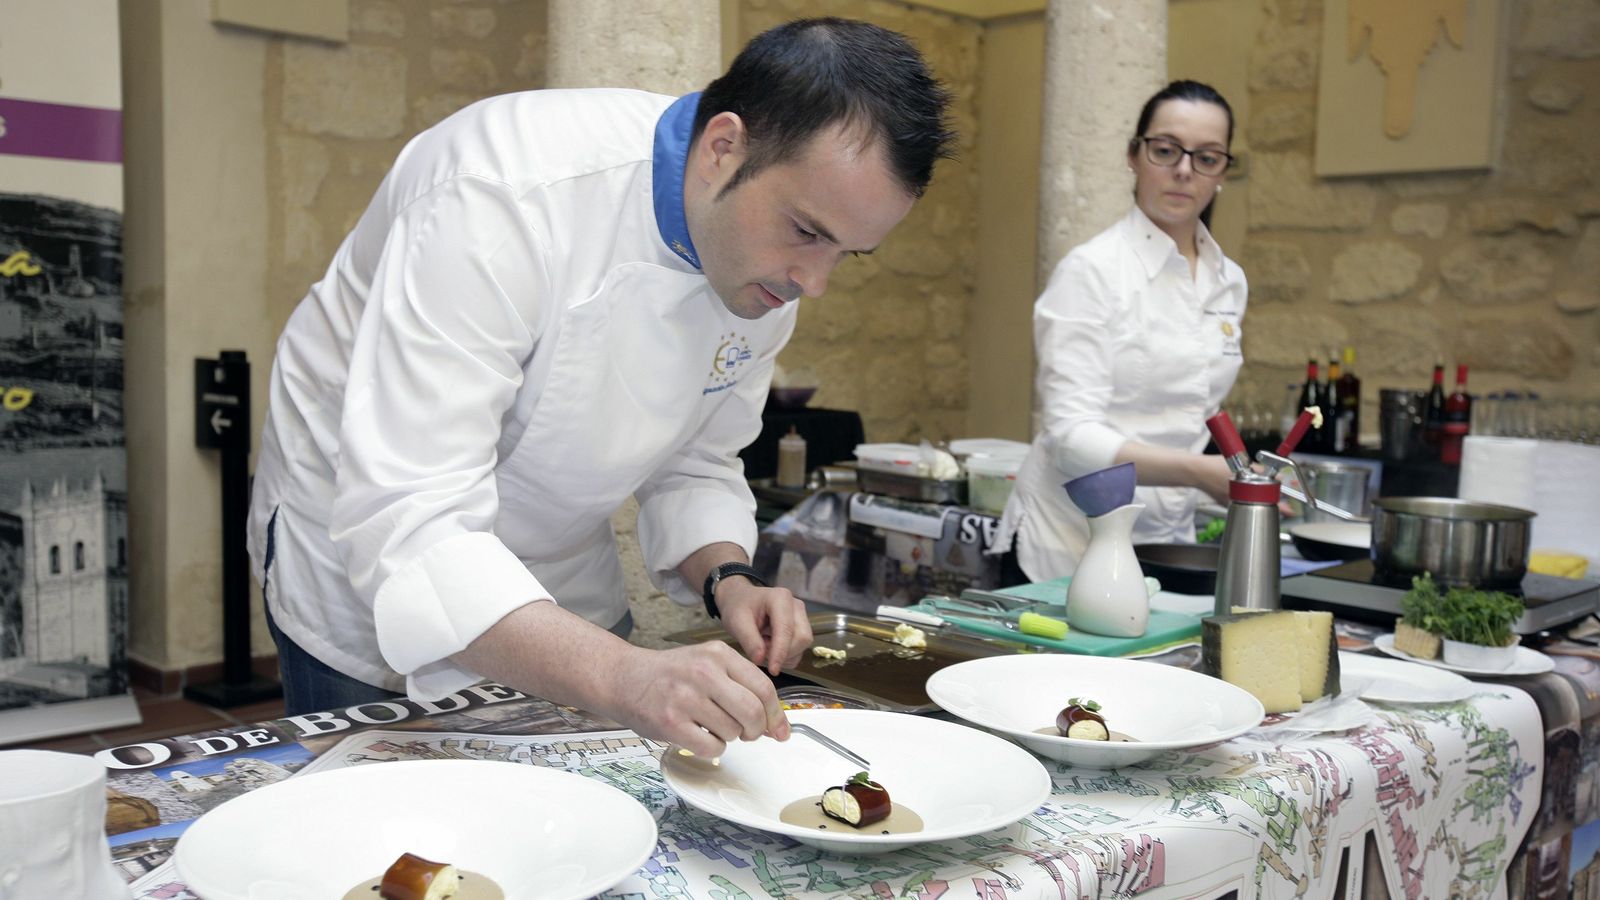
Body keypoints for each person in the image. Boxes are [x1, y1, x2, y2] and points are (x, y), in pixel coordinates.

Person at [247, 18, 954, 756]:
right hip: (364, 543)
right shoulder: (500, 193)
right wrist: (624, 676)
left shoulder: (762, 271)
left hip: (557, 562)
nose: (815, 281)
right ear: (722, 148)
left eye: (850, 252)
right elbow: (412, 515)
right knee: (382, 830)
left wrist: (730, 581)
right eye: (808, 231)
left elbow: (697, 457)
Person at [996, 80, 1245, 582]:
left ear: (1221, 173)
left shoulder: (1229, 281)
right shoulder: (1092, 271)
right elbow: (1072, 439)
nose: (1183, 170)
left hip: (1163, 541)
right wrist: (1202, 473)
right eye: (1165, 150)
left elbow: (1194, 409)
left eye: (1207, 157)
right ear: (1134, 156)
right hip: (1067, 541)